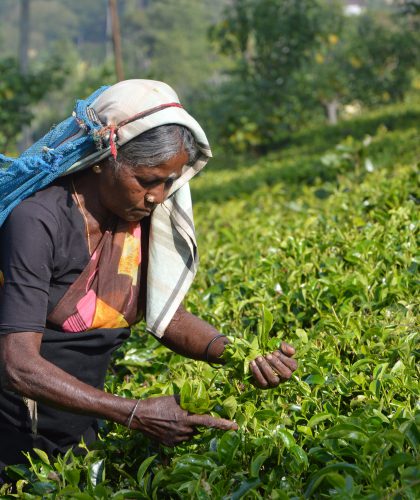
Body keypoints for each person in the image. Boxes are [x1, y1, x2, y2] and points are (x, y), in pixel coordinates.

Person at [0, 80, 298, 472]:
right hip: (11, 434)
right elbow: (17, 364)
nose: (158, 196)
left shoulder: (138, 219)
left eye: (169, 182)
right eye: (145, 180)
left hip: (81, 425)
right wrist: (134, 412)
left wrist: (243, 356)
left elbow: (166, 315)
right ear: (106, 158)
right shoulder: (38, 221)